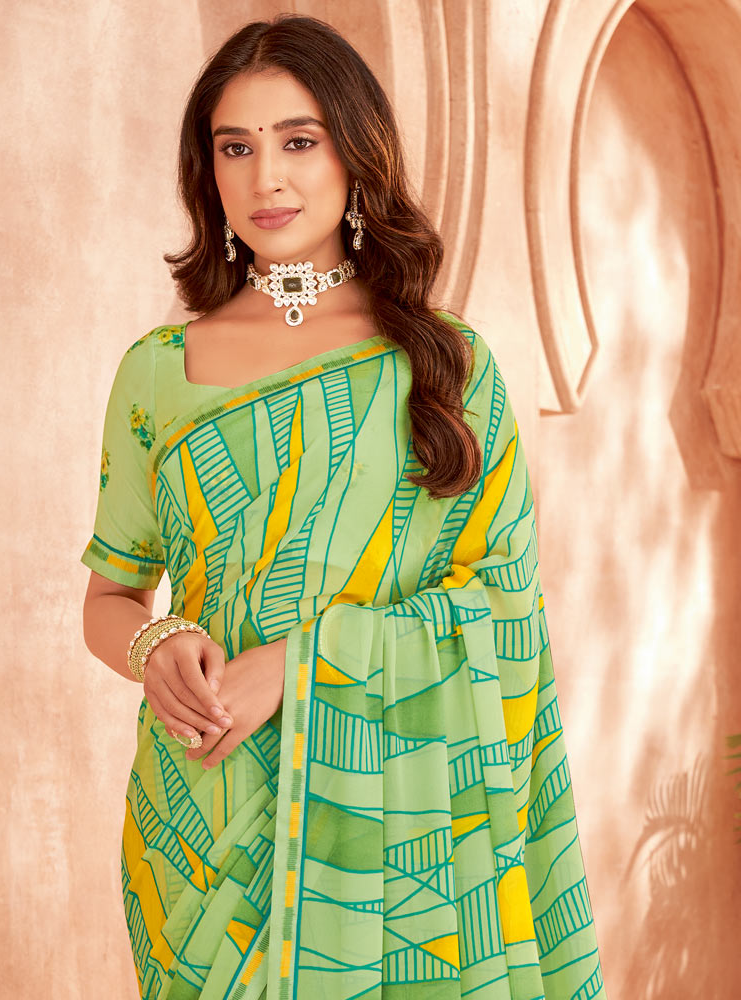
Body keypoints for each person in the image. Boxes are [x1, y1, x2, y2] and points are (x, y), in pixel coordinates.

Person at [80, 13, 606, 1000]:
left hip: (401, 840)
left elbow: (504, 608)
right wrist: (156, 646)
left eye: (298, 141)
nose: (265, 179)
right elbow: (111, 596)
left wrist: (302, 666)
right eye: (235, 147)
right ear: (207, 168)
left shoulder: (446, 366)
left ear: (355, 153)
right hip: (203, 817)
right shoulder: (157, 372)